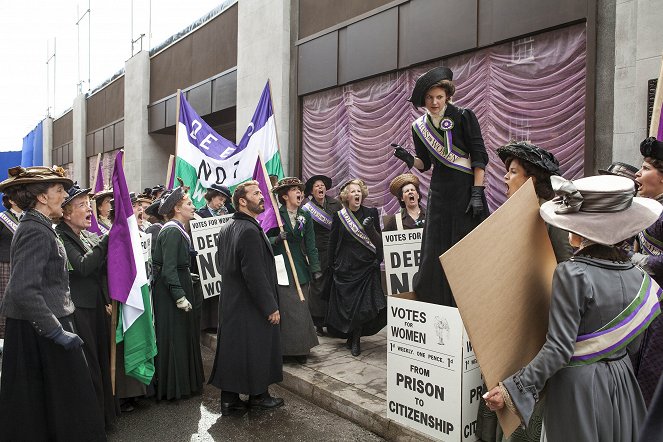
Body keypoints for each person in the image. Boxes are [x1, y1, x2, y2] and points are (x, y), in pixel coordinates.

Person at [483, 174, 662, 442]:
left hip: (579, 387)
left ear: (581, 229)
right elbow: (633, 345)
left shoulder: (572, 273)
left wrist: (512, 388)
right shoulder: (640, 278)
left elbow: (558, 349)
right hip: (623, 382)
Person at [0, 166, 105, 441]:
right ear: (42, 198)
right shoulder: (35, 230)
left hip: (44, 326)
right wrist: (56, 331)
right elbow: (24, 289)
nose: (64, 194)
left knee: (53, 407)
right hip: (41, 331)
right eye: (59, 190)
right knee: (64, 407)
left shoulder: (40, 225)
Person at [477, 142, 572, 442]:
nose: (505, 177)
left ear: (531, 180)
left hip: (536, 336)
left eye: (512, 171)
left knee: (522, 417)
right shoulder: (511, 216)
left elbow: (568, 275)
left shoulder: (550, 216)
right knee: (497, 401)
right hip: (506, 330)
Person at [394, 66, 489, 306]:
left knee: (465, 248)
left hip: (466, 190)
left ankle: (468, 302)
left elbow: (479, 156)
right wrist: (408, 159)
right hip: (439, 192)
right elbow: (424, 164)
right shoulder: (419, 127)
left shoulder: (464, 116)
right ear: (423, 100)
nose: (434, 102)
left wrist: (477, 192)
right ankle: (437, 303)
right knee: (435, 251)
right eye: (429, 97)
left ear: (447, 96)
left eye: (439, 97)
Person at [209, 180, 284, 415]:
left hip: (233, 301)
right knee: (257, 349)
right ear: (242, 201)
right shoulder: (250, 230)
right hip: (251, 303)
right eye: (256, 193)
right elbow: (255, 274)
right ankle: (259, 396)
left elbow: (222, 265)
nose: (262, 196)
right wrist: (270, 306)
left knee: (235, 350)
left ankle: (230, 400)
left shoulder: (227, 226)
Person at [56, 183, 118, 430]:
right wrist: (106, 242)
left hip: (95, 307)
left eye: (88, 204)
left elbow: (99, 271)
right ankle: (91, 422)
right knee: (89, 365)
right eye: (81, 205)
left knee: (100, 361)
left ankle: (103, 417)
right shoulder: (61, 236)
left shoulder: (85, 236)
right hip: (77, 310)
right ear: (66, 213)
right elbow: (82, 266)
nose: (89, 210)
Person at [152, 182, 204, 401]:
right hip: (171, 293)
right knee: (175, 338)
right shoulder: (172, 231)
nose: (193, 207)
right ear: (177, 208)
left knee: (182, 336)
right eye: (189, 203)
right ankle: (175, 388)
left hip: (180, 284)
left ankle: (184, 384)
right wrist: (179, 296)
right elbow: (168, 270)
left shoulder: (178, 230)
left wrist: (187, 276)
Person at [326, 179, 387, 356]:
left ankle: (356, 340)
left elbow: (378, 241)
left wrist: (378, 259)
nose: (357, 194)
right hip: (346, 267)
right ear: (346, 196)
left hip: (366, 266)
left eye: (359, 191)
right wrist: (332, 265)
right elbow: (333, 241)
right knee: (349, 305)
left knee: (362, 306)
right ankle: (351, 336)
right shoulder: (340, 216)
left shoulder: (371, 212)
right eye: (353, 191)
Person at [268, 177, 320, 363]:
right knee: (287, 308)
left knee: (301, 306)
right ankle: (285, 350)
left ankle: (301, 348)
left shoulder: (305, 216)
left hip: (299, 266)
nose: (300, 192)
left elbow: (311, 244)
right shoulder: (274, 214)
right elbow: (262, 239)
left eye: (300, 189)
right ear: (284, 196)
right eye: (294, 190)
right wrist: (275, 239)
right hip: (281, 266)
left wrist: (315, 267)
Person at [630, 136, 663, 406]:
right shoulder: (646, 209)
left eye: (646, 169)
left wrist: (634, 259)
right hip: (646, 307)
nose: (637, 175)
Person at [302, 175, 343, 335]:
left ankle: (333, 321)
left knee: (333, 285)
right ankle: (318, 322)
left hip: (335, 251)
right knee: (318, 286)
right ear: (312, 191)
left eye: (323, 185)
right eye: (317, 186)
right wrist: (306, 254)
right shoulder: (306, 209)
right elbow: (304, 235)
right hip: (317, 252)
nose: (321, 188)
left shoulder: (336, 204)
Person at [0, 195, 22, 354]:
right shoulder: (2, 219)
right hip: (5, 263)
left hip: (22, 263)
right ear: (12, 200)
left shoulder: (28, 219)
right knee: (4, 298)